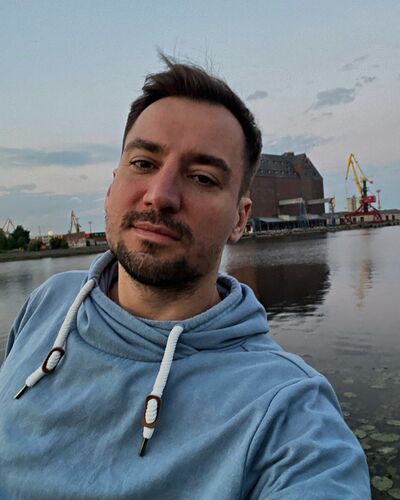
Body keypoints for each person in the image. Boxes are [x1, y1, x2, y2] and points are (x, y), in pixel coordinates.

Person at [0, 55, 370, 499]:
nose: (160, 196)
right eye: (143, 163)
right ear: (111, 187)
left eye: (202, 178)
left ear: (240, 218)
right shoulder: (49, 301)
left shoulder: (288, 412)